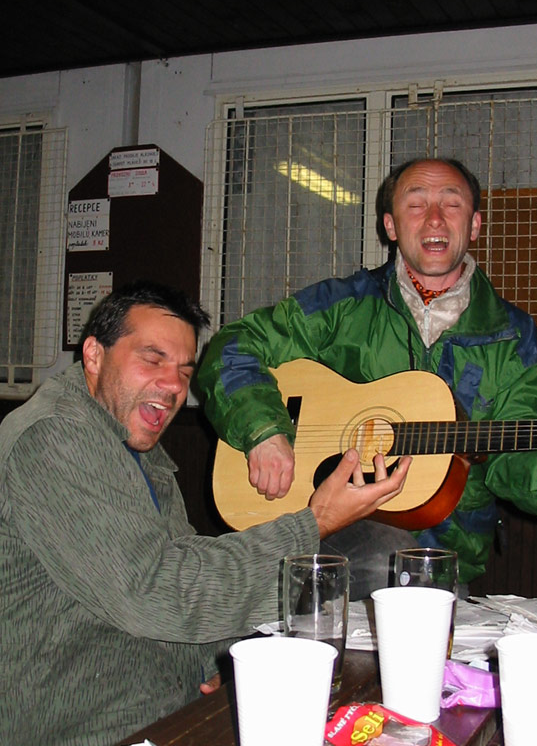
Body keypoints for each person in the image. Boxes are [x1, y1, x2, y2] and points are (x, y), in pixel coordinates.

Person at [0, 282, 411, 745]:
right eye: (152, 360)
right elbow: (156, 589)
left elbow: (181, 565)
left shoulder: (128, 441)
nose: (174, 386)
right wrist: (314, 522)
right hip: (81, 726)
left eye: (184, 370)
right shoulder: (54, 438)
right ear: (94, 355)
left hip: (159, 703)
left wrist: (219, 660)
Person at [197, 157, 537, 596]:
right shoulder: (344, 306)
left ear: (474, 225)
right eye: (416, 205)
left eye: (451, 204)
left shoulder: (515, 339)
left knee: (405, 571)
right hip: (327, 530)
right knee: (384, 562)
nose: (434, 218)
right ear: (390, 225)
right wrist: (263, 431)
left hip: (442, 557)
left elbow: (531, 466)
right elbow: (234, 347)